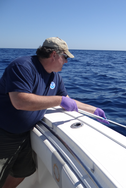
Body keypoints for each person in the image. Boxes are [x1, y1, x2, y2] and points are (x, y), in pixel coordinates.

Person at [0, 37, 108, 188]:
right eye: (65, 57)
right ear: (54, 55)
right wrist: (58, 100)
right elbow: (19, 101)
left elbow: (67, 100)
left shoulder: (55, 77)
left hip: (23, 134)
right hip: (4, 132)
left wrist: (93, 110)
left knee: (23, 171)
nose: (66, 62)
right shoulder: (22, 66)